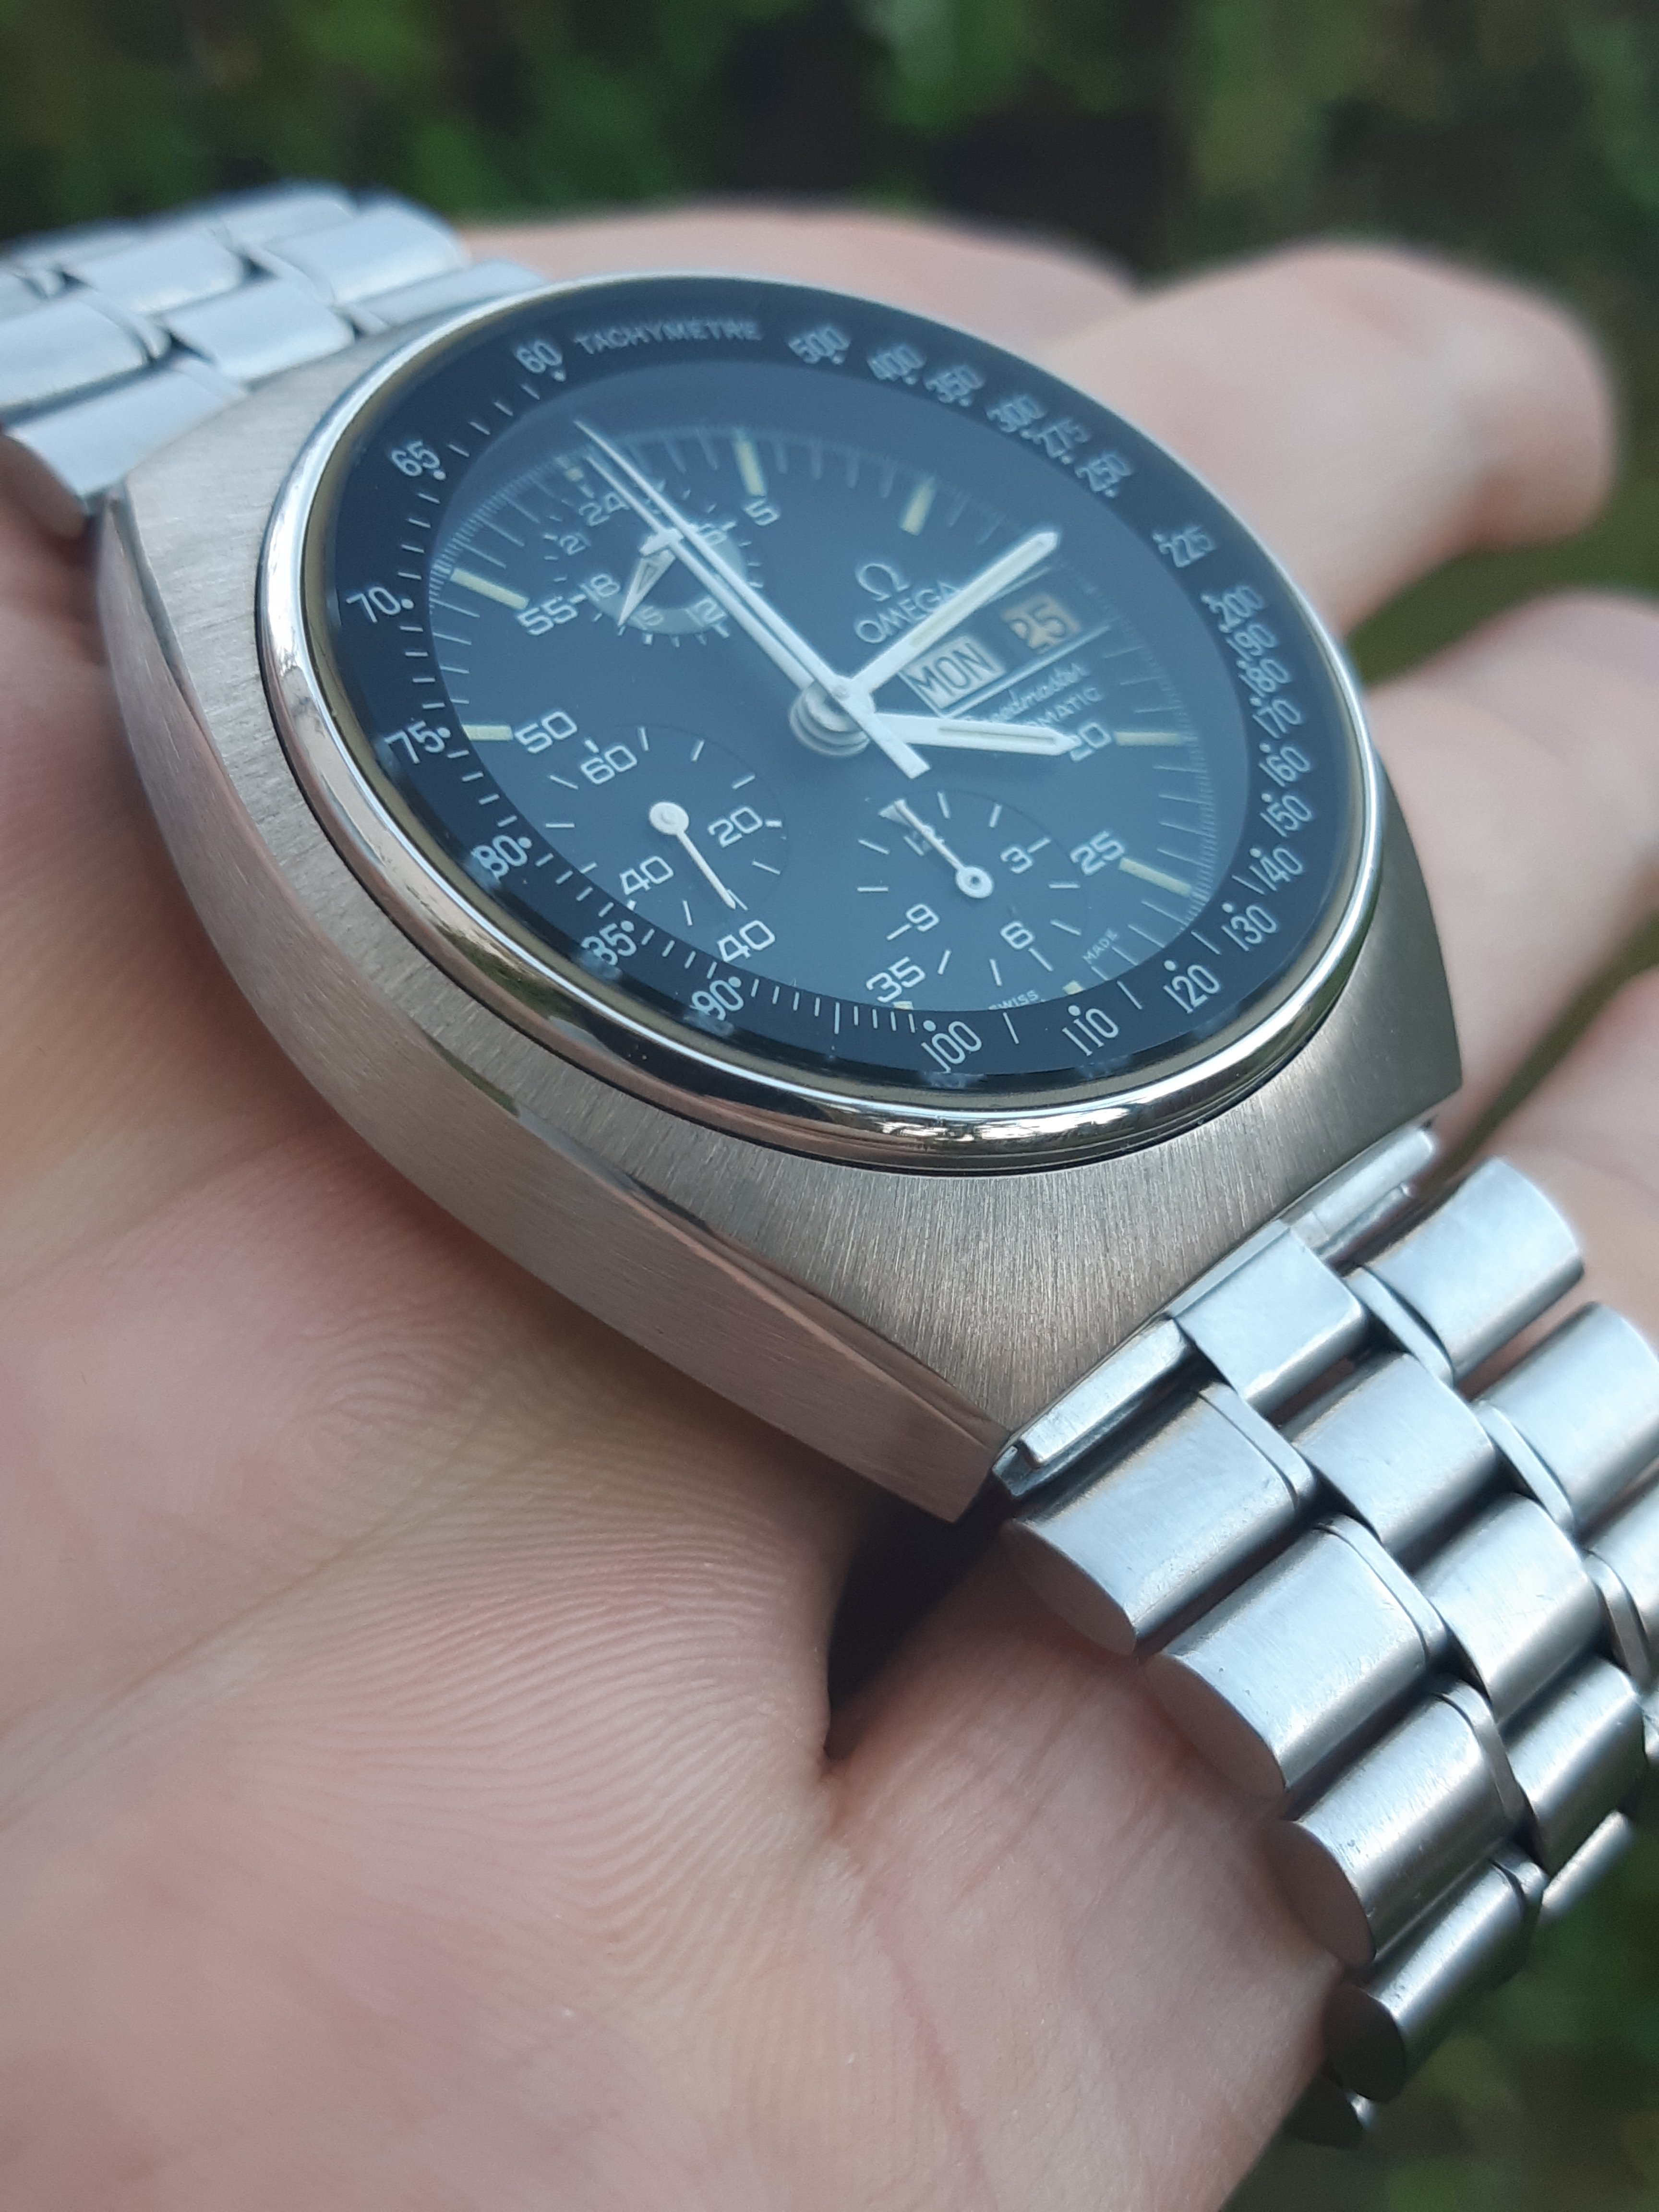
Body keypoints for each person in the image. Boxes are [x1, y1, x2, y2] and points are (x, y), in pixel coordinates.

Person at [0, 200, 1651, 2209]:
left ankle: (1510, 1701)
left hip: (1234, 1059)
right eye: (838, 713)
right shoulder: (257, 564)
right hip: (931, 1148)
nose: (841, 720)